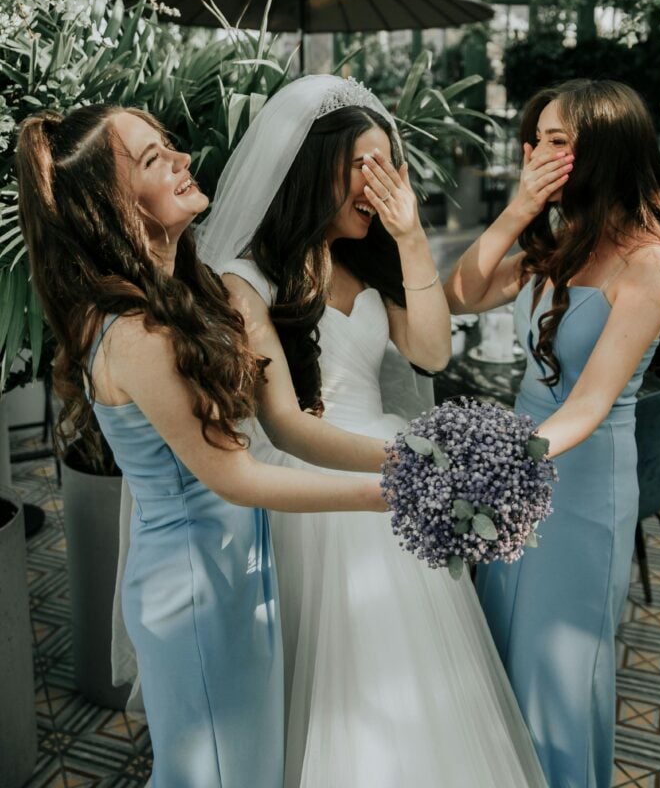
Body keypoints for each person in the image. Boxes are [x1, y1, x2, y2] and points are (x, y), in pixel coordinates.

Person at [15, 105, 389, 788]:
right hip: (193, 588)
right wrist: (393, 495)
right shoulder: (134, 332)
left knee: (247, 770)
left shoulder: (193, 293)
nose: (184, 159)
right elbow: (237, 476)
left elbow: (284, 425)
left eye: (171, 145)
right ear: (112, 204)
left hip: (241, 569)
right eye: (155, 159)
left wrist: (411, 459)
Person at [197, 74, 550, 788]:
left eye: (387, 161)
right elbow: (288, 427)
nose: (379, 178)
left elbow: (430, 351)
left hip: (390, 469)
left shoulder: (367, 261)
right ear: (311, 166)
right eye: (362, 162)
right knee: (340, 686)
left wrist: (411, 236)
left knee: (419, 672)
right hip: (317, 488)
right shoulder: (246, 278)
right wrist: (416, 462)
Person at [444, 79, 660, 788]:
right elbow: (460, 293)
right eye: (536, 141)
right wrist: (517, 209)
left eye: (557, 143)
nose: (537, 155)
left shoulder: (651, 262)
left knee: (558, 672)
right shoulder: (557, 247)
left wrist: (494, 468)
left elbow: (588, 406)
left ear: (604, 150)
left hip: (579, 483)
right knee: (502, 648)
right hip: (520, 464)